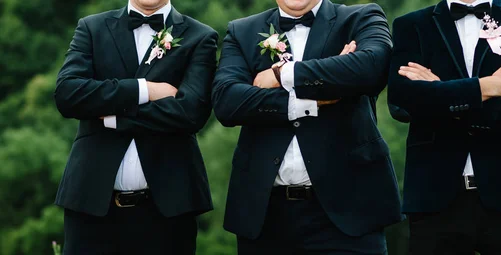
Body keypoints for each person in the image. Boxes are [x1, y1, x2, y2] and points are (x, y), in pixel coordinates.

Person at [212, 0, 403, 253]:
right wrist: (315, 97)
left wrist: (282, 75)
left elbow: (372, 68)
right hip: (265, 217)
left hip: (350, 214)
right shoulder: (241, 30)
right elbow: (227, 101)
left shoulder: (361, 17)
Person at [388, 0, 501, 254]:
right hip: (434, 199)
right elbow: (402, 103)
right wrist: (486, 88)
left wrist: (441, 93)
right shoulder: (410, 26)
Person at [53, 0, 217, 254]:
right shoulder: (92, 27)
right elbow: (68, 94)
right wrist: (145, 89)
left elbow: (190, 112)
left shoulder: (200, 36)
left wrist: (112, 117)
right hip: (91, 205)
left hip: (169, 209)